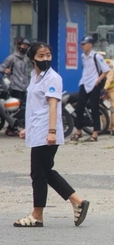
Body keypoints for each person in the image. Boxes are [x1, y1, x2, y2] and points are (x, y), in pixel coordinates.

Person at [13, 42, 89, 227]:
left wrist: (52, 132)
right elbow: (35, 108)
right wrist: (27, 129)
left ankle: (37, 215)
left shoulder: (52, 78)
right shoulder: (35, 77)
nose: (46, 59)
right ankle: (76, 201)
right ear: (32, 60)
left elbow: (53, 105)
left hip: (46, 132)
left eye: (48, 55)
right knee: (44, 172)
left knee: (39, 173)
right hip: (38, 131)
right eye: (41, 56)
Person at [70, 36, 110, 142]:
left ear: (90, 45)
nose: (82, 46)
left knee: (94, 108)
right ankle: (78, 131)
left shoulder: (97, 56)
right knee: (79, 107)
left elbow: (106, 70)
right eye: (81, 44)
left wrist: (98, 80)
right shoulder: (83, 56)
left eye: (84, 44)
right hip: (84, 83)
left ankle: (95, 133)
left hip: (94, 85)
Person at [1, 38, 32, 135]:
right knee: (14, 109)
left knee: (23, 109)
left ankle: (18, 127)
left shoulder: (26, 59)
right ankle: (11, 128)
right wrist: (5, 70)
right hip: (15, 86)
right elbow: (2, 67)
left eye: (26, 46)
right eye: (23, 45)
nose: (25, 48)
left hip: (24, 87)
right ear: (18, 46)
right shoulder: (12, 58)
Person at [98, 52, 114, 136]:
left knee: (113, 107)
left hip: (112, 88)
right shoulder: (95, 65)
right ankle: (106, 127)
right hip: (103, 88)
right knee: (103, 108)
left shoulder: (108, 63)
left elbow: (110, 76)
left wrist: (105, 88)